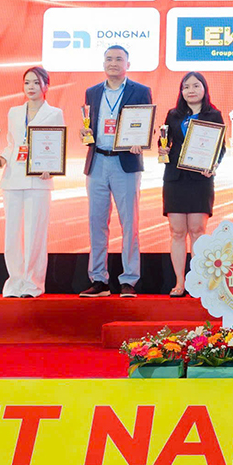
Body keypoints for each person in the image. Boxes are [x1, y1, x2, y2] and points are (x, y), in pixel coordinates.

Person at [79, 46, 153, 298]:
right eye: (109, 59)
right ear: (103, 63)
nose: (113, 63)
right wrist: (84, 133)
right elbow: (90, 123)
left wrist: (141, 140)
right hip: (97, 161)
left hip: (126, 163)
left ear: (127, 64)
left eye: (119, 59)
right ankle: (98, 279)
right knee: (96, 222)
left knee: (129, 223)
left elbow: (146, 123)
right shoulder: (92, 92)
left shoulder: (140, 91)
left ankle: (129, 279)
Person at [0, 66, 64, 298]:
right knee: (12, 234)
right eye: (27, 83)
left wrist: (51, 168)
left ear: (46, 86)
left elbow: (57, 144)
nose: (31, 87)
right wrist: (1, 158)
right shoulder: (14, 112)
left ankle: (33, 284)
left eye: (36, 82)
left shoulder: (54, 113)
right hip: (13, 178)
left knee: (35, 234)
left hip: (38, 180)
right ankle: (15, 283)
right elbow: (11, 143)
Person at [160, 72, 225, 297]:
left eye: (196, 86)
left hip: (200, 179)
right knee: (177, 232)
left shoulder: (214, 115)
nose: (191, 90)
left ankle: (198, 281)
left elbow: (220, 147)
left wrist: (213, 164)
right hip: (175, 179)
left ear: (204, 89)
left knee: (197, 230)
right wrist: (162, 149)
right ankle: (180, 282)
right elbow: (165, 142)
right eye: (186, 87)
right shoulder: (173, 115)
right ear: (181, 91)